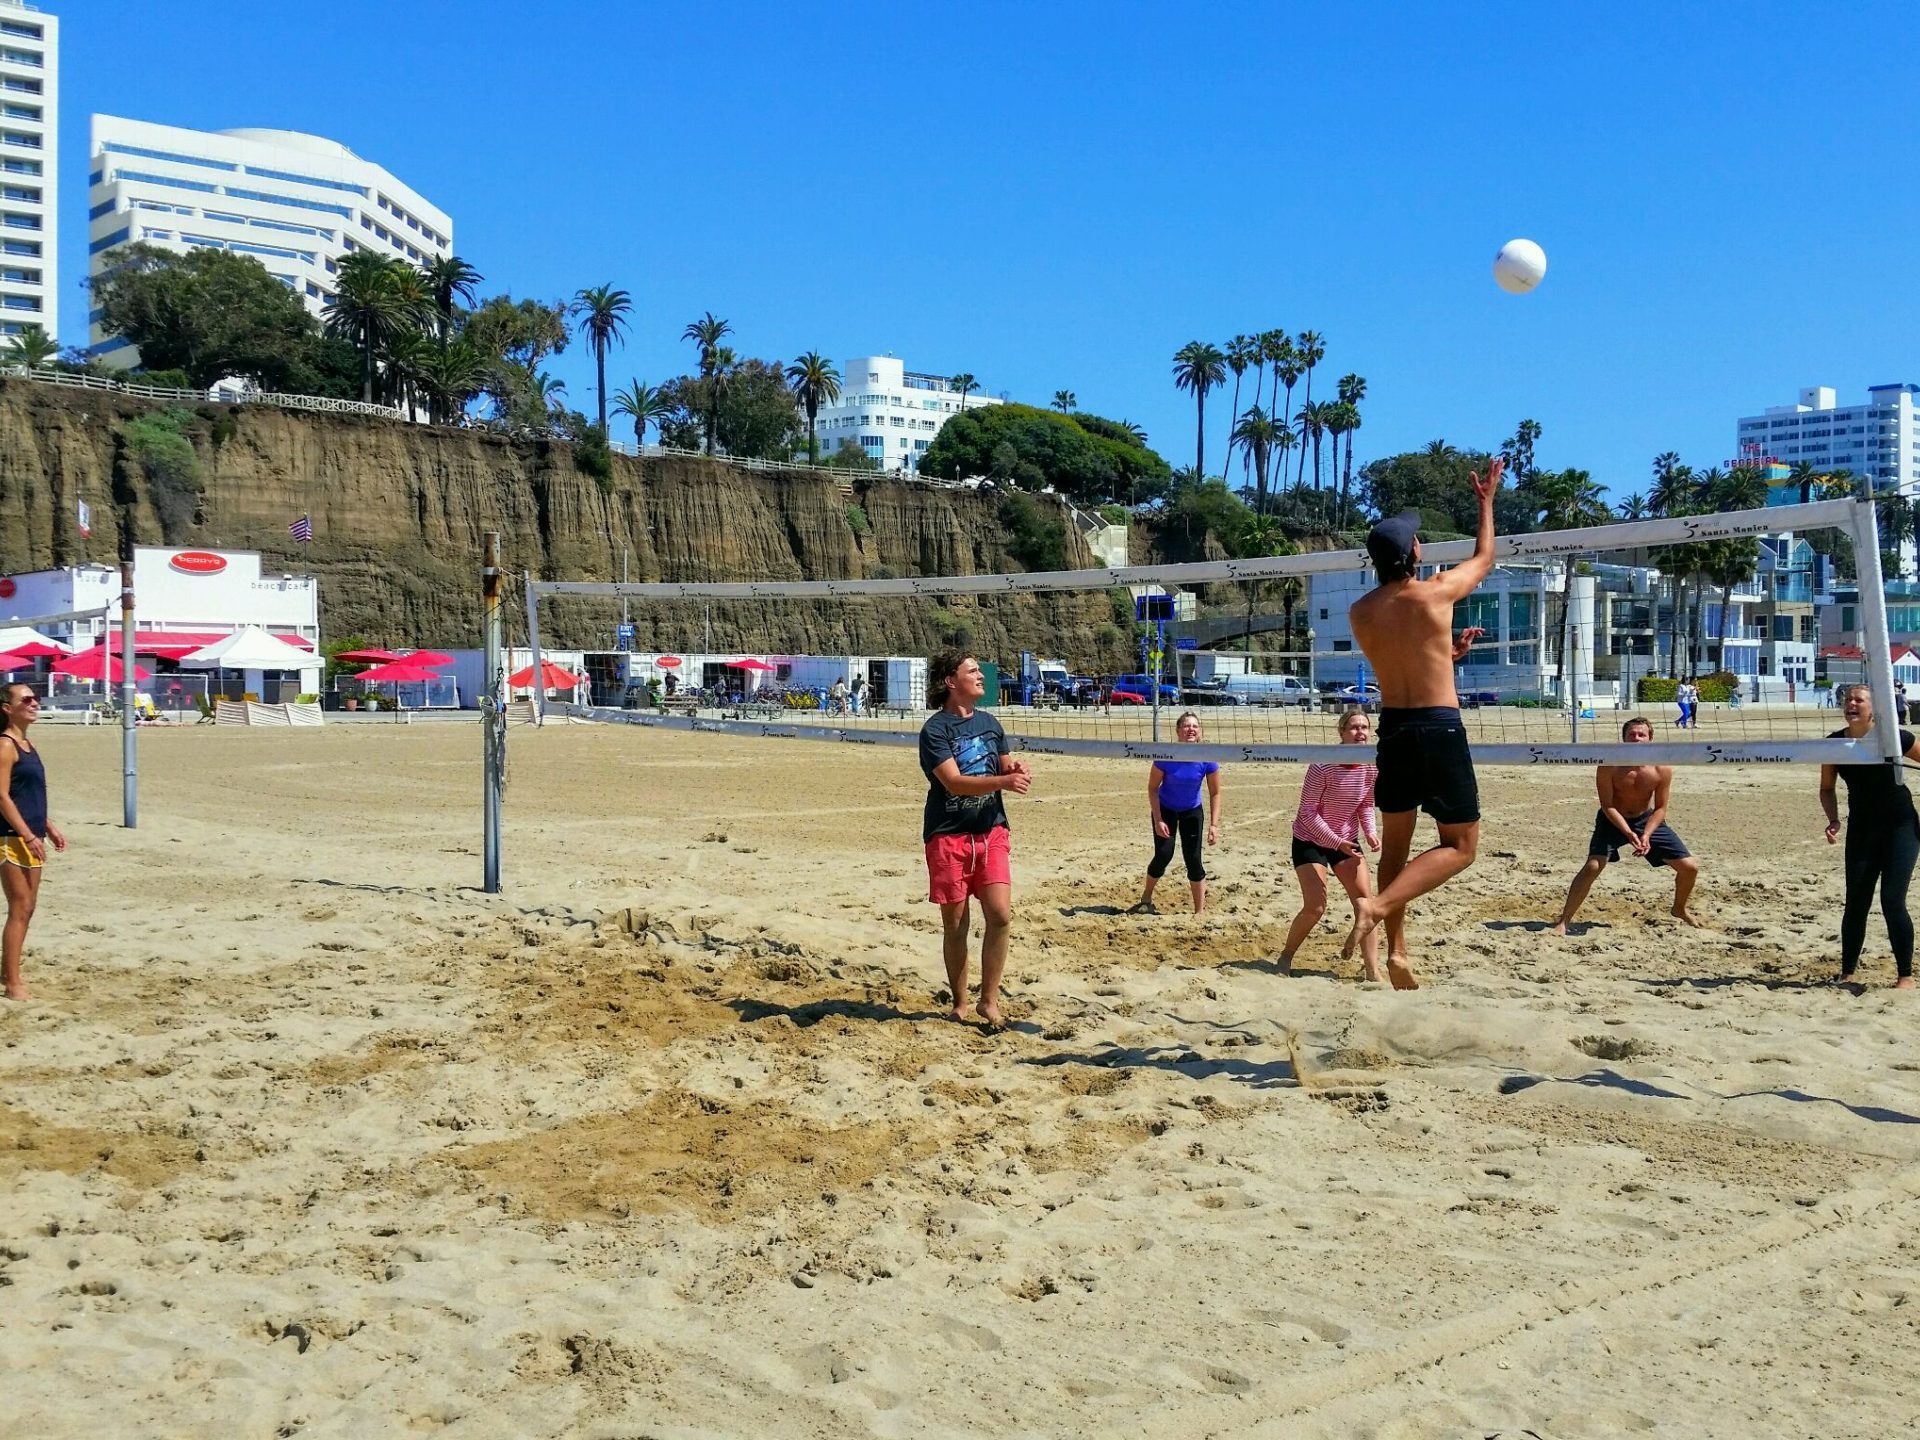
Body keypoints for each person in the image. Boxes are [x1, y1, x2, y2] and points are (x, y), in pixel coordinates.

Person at [1338, 458, 1503, 988]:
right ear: (1414, 553)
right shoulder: (1436, 593)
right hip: (1438, 727)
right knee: (1461, 847)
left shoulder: (1360, 612)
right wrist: (1485, 502)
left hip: (1395, 731)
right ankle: (1377, 908)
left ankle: (1398, 953)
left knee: (1399, 845)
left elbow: (1404, 657)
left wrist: (1446, 654)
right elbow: (1485, 556)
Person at [920, 651, 1033, 1025]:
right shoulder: (935, 730)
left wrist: (1013, 769)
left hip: (991, 830)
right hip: (948, 835)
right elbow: (953, 782)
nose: (981, 676)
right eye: (972, 671)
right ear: (951, 682)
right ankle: (960, 1003)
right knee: (956, 927)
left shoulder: (990, 723)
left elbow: (1003, 765)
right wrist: (1004, 781)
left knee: (1000, 915)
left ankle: (989, 1000)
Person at [1548, 716, 1700, 936]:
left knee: (1690, 867)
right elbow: (1607, 805)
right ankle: (1564, 922)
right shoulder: (1609, 765)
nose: (1636, 738)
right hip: (1612, 819)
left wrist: (1646, 835)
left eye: (1641, 735)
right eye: (1632, 734)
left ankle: (1679, 908)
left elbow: (1660, 809)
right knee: (1593, 866)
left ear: (1650, 739)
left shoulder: (1662, 768)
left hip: (1645, 819)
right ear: (1624, 738)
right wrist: (1628, 832)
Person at [1819, 684, 1920, 989]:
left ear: (1873, 708)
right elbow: (1826, 788)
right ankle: (1847, 972)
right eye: (1848, 700)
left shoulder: (1894, 736)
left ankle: (1905, 975)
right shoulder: (1834, 744)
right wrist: (1834, 819)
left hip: (1901, 828)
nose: (1852, 704)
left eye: (1859, 700)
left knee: (1892, 900)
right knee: (1856, 902)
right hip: (1862, 828)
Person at [1280, 709, 1383, 981]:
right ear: (1341, 732)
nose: (1360, 732)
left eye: (1364, 727)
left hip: (1346, 840)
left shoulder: (1371, 764)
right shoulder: (1322, 764)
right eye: (1353, 727)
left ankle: (1373, 972)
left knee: (1366, 905)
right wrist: (1336, 842)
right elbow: (1307, 813)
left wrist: (1371, 833)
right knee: (1315, 907)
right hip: (1310, 839)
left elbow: (1366, 804)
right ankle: (1286, 956)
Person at [0, 684, 66, 1001]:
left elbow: (28, 795)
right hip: (11, 836)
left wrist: (47, 826)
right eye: (25, 699)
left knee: (28, 908)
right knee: (20, 907)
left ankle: (8, 972)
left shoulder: (27, 743)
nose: (34, 702)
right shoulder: (6, 745)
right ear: (6, 708)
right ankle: (12, 984)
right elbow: (1, 796)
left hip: (31, 833)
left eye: (35, 697)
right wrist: (27, 834)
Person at [1129, 711, 1222, 915]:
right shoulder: (1166, 754)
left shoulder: (1207, 756)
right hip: (1166, 809)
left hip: (1192, 811)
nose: (1191, 729)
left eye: (1195, 726)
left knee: (1194, 860)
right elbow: (1152, 788)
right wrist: (1158, 819)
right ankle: (1146, 897)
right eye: (1186, 726)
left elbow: (1215, 792)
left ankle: (1199, 913)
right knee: (1163, 855)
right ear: (1178, 731)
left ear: (1200, 732)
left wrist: (1214, 825)